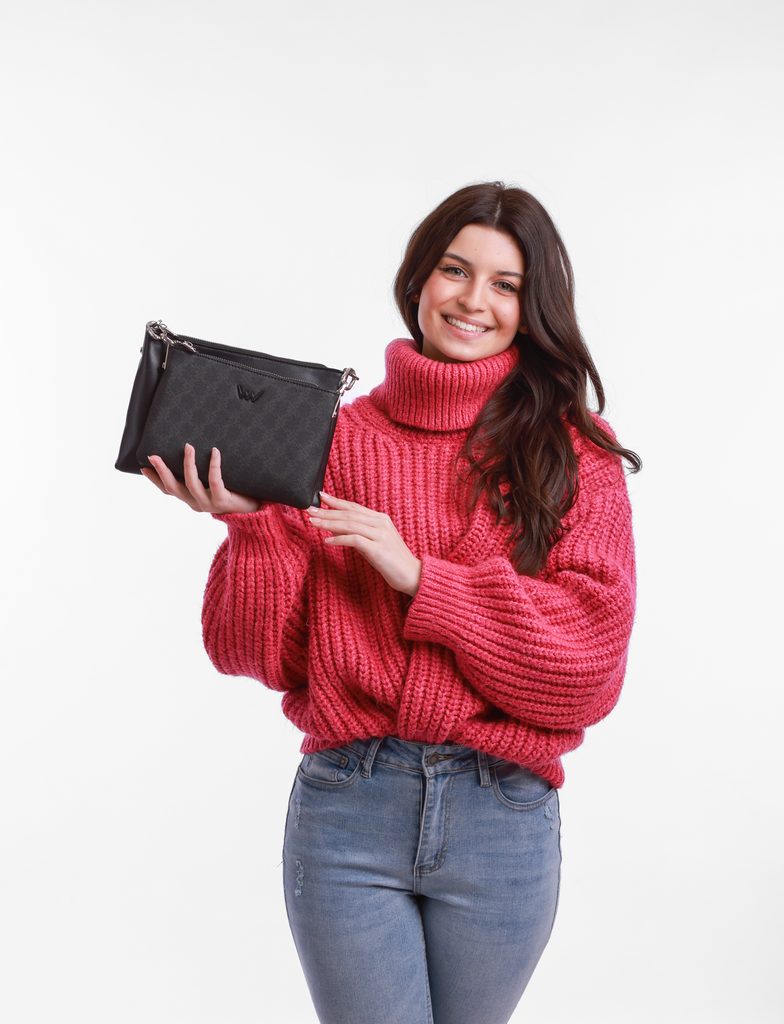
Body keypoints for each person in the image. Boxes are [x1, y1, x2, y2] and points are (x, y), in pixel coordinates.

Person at [141, 180, 640, 1024]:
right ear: (418, 279)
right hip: (350, 807)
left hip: (503, 818)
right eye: (455, 270)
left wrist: (424, 580)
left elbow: (587, 669)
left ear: (533, 308)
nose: (473, 300)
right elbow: (253, 657)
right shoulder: (331, 439)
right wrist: (254, 529)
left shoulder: (572, 452)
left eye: (506, 284)